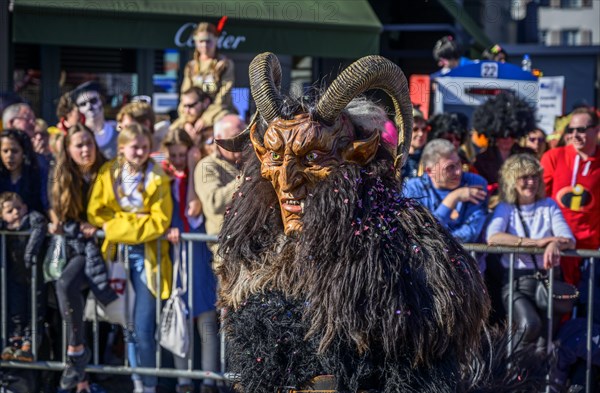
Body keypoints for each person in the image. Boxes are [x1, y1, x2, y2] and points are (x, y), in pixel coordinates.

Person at [215, 53, 549, 392]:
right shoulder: (255, 248)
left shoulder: (398, 242)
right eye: (276, 157)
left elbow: (428, 336)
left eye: (312, 158)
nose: (287, 181)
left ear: (357, 155)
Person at [87, 123, 173, 393]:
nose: (140, 152)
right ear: (121, 148)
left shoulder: (157, 176)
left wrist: (116, 226)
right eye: (135, 147)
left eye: (145, 147)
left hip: (148, 257)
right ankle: (137, 383)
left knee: (144, 328)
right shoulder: (108, 173)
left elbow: (160, 222)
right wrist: (131, 222)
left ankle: (148, 385)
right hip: (115, 256)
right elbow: (95, 213)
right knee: (128, 328)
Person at [48, 123, 117, 393]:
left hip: (107, 246)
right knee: (68, 297)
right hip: (77, 248)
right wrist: (56, 222)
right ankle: (78, 365)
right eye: (79, 145)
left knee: (97, 318)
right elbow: (54, 210)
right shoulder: (61, 173)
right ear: (68, 149)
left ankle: (86, 374)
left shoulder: (108, 170)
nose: (86, 149)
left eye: (89, 143)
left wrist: (100, 227)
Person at [486, 154, 575, 350]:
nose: (531, 182)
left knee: (545, 341)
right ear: (512, 181)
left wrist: (554, 245)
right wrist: (536, 243)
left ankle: (539, 380)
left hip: (548, 280)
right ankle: (507, 371)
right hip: (517, 281)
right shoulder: (506, 207)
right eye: (524, 177)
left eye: (535, 177)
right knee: (529, 326)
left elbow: (568, 238)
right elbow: (493, 237)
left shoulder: (549, 205)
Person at [163, 128, 219, 393]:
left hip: (198, 253)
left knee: (206, 319)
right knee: (180, 318)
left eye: (182, 154)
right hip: (176, 257)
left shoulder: (197, 175)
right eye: (173, 154)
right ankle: (183, 381)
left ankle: (208, 379)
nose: (177, 159)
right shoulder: (165, 178)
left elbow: (192, 208)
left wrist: (194, 163)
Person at [541, 107, 600, 286]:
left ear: (596, 129)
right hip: (560, 245)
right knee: (560, 304)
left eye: (581, 130)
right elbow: (540, 198)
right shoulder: (554, 156)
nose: (575, 135)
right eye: (571, 130)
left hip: (593, 250)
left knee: (591, 307)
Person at [404, 139, 488, 243]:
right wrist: (452, 199)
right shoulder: (413, 188)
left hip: (465, 257)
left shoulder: (474, 182)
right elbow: (421, 232)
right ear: (430, 171)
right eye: (450, 167)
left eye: (458, 164)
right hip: (428, 258)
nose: (458, 171)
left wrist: (437, 241)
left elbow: (471, 232)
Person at [0, 192, 46, 363]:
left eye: (19, 208)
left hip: (34, 276)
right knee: (16, 311)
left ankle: (30, 345)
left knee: (35, 311)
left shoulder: (33, 220)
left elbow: (39, 222)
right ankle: (15, 343)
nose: (16, 213)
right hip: (14, 277)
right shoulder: (4, 228)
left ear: (25, 207)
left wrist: (30, 253)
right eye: (9, 211)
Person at [194, 114, 244, 256]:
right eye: (236, 136)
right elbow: (214, 203)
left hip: (254, 242)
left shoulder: (247, 161)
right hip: (226, 247)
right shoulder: (207, 166)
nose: (242, 141)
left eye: (245, 136)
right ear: (219, 139)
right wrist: (245, 179)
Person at [472, 92, 536, 195]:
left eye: (512, 134)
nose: (507, 139)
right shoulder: (482, 159)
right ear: (494, 134)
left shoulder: (528, 155)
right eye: (502, 134)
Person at [180, 19, 235, 131]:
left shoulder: (224, 64)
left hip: (218, 113)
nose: (204, 45)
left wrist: (206, 118)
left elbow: (223, 96)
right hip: (192, 114)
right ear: (195, 42)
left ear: (216, 40)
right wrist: (186, 121)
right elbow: (184, 95)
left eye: (208, 41)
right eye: (201, 41)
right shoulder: (191, 66)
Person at [0, 128, 48, 213]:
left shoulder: (36, 176)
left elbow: (46, 204)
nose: (9, 156)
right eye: (5, 151)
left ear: (24, 153)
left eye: (15, 151)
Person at [71, 81, 118, 159]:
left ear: (101, 101)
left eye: (93, 101)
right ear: (78, 109)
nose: (89, 106)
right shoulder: (76, 135)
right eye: (83, 104)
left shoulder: (118, 130)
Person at [401, 107, 429, 179]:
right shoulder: (396, 157)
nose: (421, 133)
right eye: (415, 129)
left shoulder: (431, 156)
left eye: (424, 129)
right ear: (404, 131)